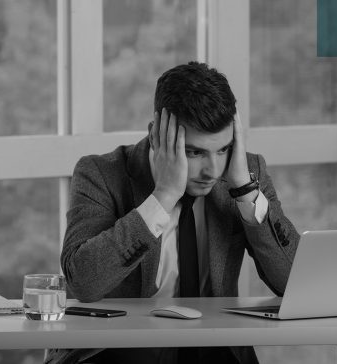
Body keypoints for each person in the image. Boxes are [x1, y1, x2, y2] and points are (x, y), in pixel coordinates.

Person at [45, 61, 300, 364]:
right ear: (156, 136)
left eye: (223, 149)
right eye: (195, 152)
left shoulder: (244, 173)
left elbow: (293, 283)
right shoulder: (100, 174)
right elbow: (83, 282)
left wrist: (245, 192)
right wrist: (163, 196)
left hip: (213, 351)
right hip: (117, 352)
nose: (213, 170)